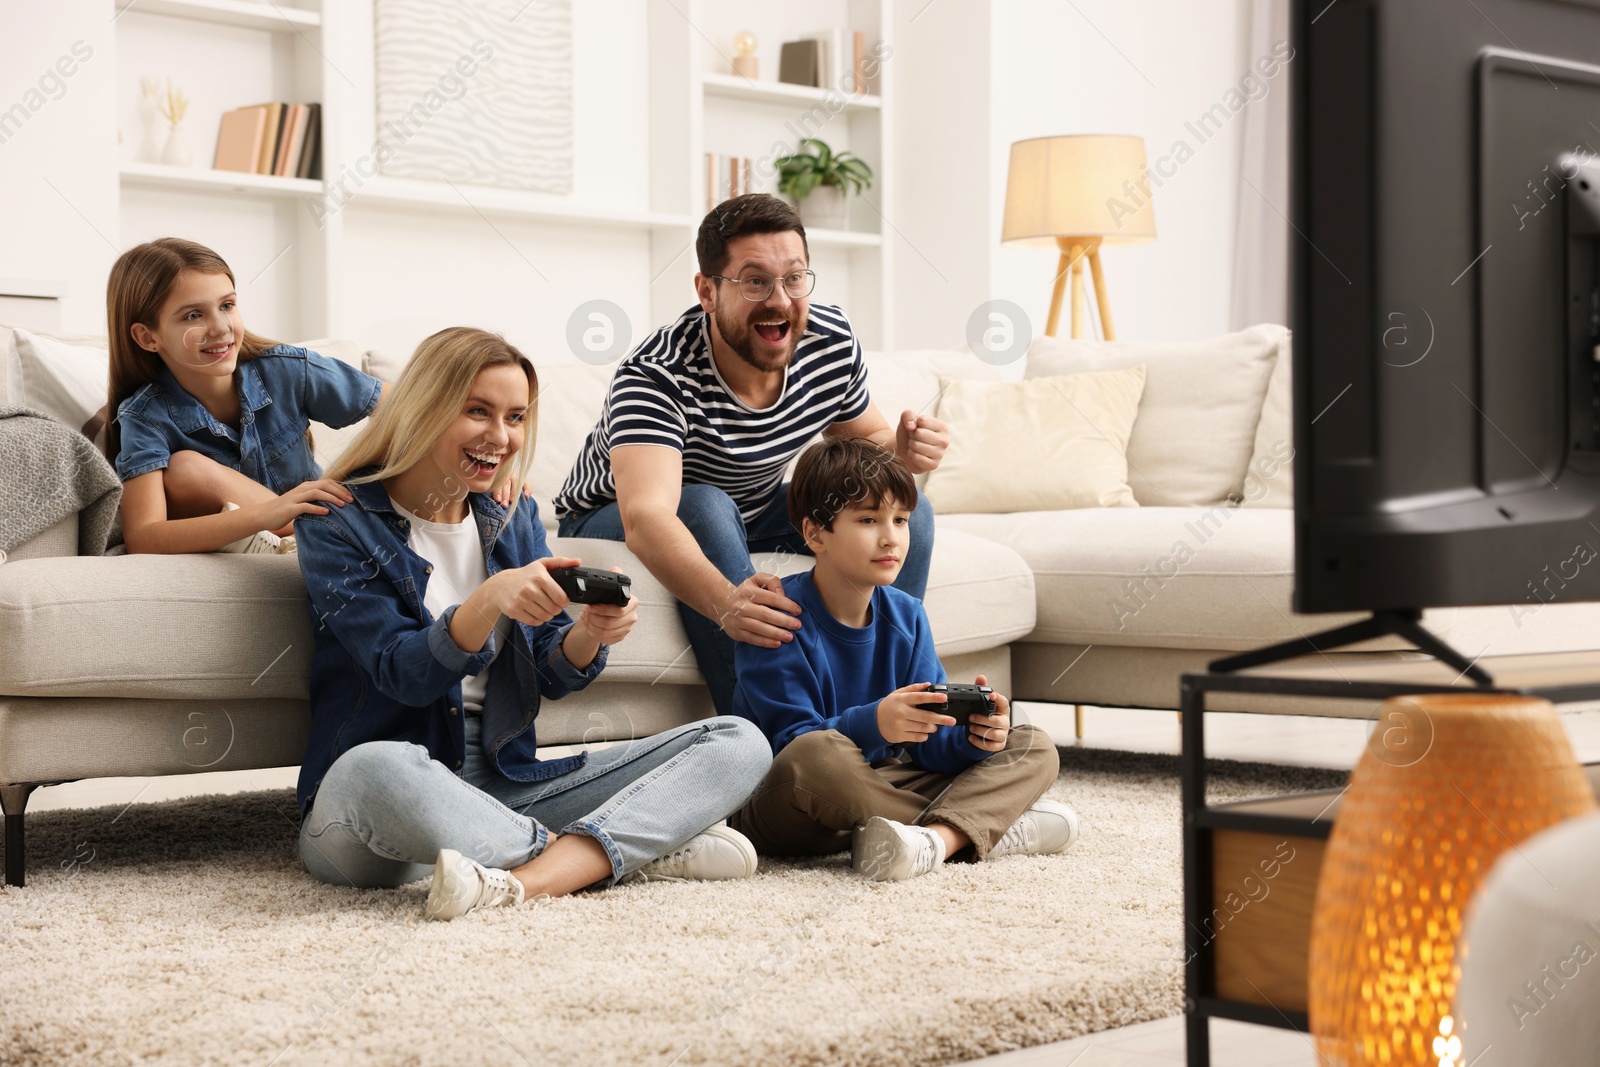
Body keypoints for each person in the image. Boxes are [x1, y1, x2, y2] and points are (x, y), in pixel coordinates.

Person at [292, 326, 773, 921]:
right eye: (478, 412)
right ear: (424, 408)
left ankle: (532, 870)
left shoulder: (510, 514)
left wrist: (588, 635)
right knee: (374, 765)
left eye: (516, 417)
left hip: (505, 780)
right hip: (382, 802)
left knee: (736, 740)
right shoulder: (339, 520)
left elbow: (547, 671)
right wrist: (488, 598)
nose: (501, 438)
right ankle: (614, 855)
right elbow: (401, 673)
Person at [554, 193, 951, 719]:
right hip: (608, 517)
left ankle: (887, 714)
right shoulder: (658, 373)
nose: (781, 301)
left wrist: (901, 450)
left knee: (912, 516)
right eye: (755, 281)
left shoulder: (827, 340)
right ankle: (763, 741)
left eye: (794, 278)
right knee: (703, 506)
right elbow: (646, 517)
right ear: (707, 291)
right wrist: (728, 604)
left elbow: (868, 442)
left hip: (757, 504)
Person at [727, 437, 1076, 881]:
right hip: (795, 804)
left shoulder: (907, 615)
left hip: (879, 792)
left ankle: (934, 840)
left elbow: (931, 748)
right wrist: (875, 723)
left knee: (1032, 744)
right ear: (815, 533)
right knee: (817, 752)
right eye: (869, 519)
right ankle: (979, 827)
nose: (891, 537)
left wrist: (975, 738)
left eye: (900, 519)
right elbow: (787, 747)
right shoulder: (776, 617)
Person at [106, 237, 391, 555]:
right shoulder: (144, 417)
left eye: (227, 305)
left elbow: (412, 407)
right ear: (148, 337)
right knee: (184, 468)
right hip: (280, 533)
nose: (220, 327)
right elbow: (144, 537)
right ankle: (319, 532)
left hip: (328, 516)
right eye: (193, 316)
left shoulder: (285, 368)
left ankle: (335, 530)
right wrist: (269, 513)